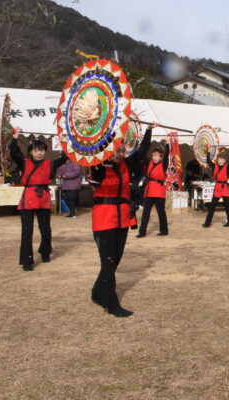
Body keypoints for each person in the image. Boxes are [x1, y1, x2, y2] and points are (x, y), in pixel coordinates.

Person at [88, 123, 155, 317]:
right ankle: (111, 303)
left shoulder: (127, 164)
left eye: (122, 148)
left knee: (114, 260)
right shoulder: (99, 166)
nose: (120, 152)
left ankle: (97, 292)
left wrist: (149, 130)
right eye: (116, 148)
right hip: (104, 217)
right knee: (108, 262)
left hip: (122, 217)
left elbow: (142, 151)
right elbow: (96, 169)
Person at [9, 130, 67, 271]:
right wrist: (15, 137)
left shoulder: (50, 164)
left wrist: (64, 141)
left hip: (43, 198)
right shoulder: (24, 163)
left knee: (45, 229)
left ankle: (45, 252)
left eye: (41, 150)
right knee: (26, 231)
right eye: (35, 150)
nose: (38, 153)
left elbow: (65, 157)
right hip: (28, 198)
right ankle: (27, 260)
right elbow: (14, 153)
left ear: (44, 151)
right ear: (31, 152)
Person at [137, 143, 169, 238]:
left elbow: (167, 155)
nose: (155, 157)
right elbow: (143, 153)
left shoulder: (163, 164)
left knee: (161, 212)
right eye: (153, 155)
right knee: (145, 213)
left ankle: (164, 230)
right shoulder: (150, 163)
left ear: (161, 156)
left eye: (157, 155)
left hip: (159, 191)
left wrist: (166, 144)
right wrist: (140, 142)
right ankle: (142, 232)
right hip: (149, 191)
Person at [202, 149, 229, 227]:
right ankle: (207, 223)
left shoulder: (227, 167)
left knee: (227, 207)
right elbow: (208, 161)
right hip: (217, 188)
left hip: (224, 188)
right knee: (212, 206)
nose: (220, 161)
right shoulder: (215, 166)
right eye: (219, 159)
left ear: (224, 160)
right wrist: (209, 151)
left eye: (222, 159)